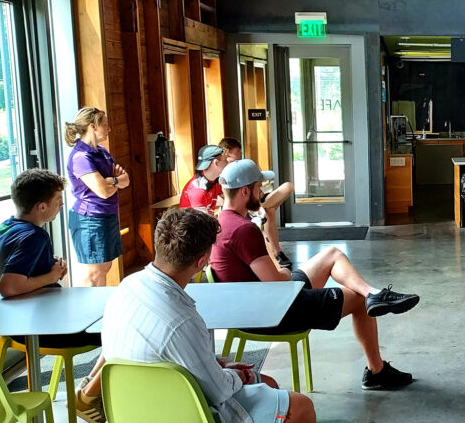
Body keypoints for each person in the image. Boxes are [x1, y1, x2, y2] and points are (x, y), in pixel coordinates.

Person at [211, 159, 420, 390]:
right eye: (259, 186)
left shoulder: (223, 223)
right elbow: (275, 282)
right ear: (245, 191)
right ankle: (376, 371)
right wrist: (283, 268)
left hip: (256, 304)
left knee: (331, 254)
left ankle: (374, 293)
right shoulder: (243, 230)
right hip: (274, 312)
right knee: (359, 301)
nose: (262, 192)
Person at [102, 209, 315, 423]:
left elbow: (164, 356)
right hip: (181, 411)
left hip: (132, 409)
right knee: (301, 406)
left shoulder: (126, 287)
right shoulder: (182, 320)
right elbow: (218, 392)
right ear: (202, 260)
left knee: (266, 382)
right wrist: (237, 375)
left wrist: (216, 365)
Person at [0, 169, 107, 422]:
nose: (62, 204)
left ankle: (90, 390)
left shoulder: (7, 226)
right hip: (44, 327)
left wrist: (50, 268)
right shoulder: (36, 236)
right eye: (58, 200)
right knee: (120, 329)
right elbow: (9, 285)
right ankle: (89, 394)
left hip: (16, 326)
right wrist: (51, 277)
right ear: (42, 206)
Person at [64, 107, 129, 287]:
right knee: (94, 273)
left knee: (105, 266)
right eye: (105, 125)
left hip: (106, 215)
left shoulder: (102, 152)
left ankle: (99, 310)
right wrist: (114, 182)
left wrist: (111, 180)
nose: (109, 129)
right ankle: (88, 312)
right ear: (93, 126)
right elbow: (104, 192)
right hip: (90, 219)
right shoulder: (80, 157)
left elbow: (126, 180)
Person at [215, 137, 293, 270]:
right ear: (225, 154)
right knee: (269, 213)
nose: (239, 157)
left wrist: (258, 200)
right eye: (236, 155)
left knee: (287, 187)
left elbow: (258, 193)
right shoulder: (226, 177)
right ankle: (277, 253)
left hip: (256, 202)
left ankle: (262, 209)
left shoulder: (242, 171)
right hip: (244, 206)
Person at [180, 144, 228, 211]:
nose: (227, 162)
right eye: (225, 160)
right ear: (216, 163)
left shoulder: (215, 181)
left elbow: (229, 199)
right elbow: (200, 221)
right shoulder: (198, 190)